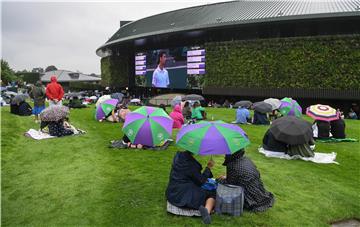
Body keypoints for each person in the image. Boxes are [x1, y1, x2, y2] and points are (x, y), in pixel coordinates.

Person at [166, 151, 215, 224]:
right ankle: (207, 211)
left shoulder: (178, 156)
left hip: (172, 192)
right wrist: (208, 167)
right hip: (184, 195)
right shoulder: (191, 164)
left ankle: (204, 210)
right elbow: (200, 181)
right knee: (212, 194)